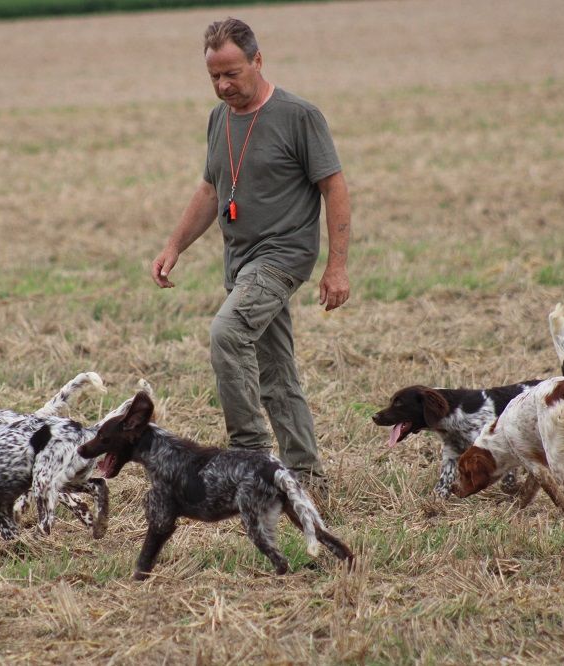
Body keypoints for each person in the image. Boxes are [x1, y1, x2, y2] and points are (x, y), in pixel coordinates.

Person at [150, 17, 351, 498]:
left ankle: (250, 455)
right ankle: (305, 476)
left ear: (258, 61)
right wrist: (174, 245)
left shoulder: (299, 116)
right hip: (239, 262)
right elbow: (211, 188)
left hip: (283, 256)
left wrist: (337, 266)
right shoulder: (219, 118)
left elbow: (334, 187)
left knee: (227, 332)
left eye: (232, 74)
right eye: (214, 77)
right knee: (277, 370)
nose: (223, 86)